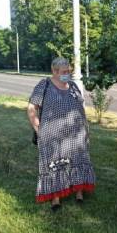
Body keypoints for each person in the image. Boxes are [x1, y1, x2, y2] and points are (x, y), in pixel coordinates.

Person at [27, 57, 95, 211]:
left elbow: (81, 107)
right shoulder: (44, 85)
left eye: (68, 71)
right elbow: (32, 108)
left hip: (76, 134)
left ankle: (79, 192)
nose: (67, 74)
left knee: (78, 160)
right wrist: (38, 128)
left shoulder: (73, 86)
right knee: (55, 164)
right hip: (53, 136)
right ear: (54, 71)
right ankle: (56, 198)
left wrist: (86, 129)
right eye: (64, 72)